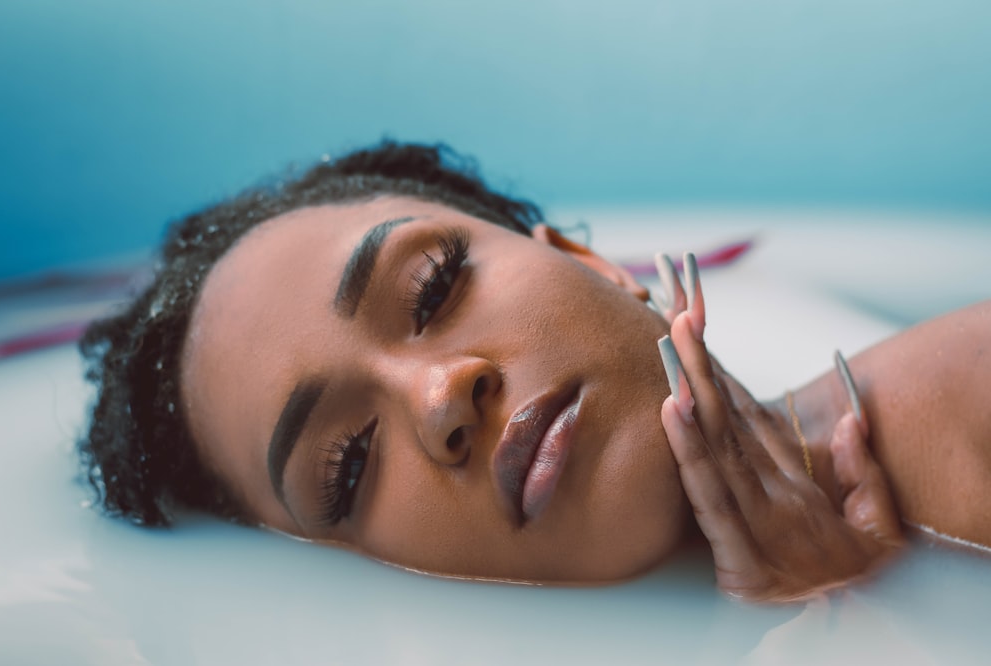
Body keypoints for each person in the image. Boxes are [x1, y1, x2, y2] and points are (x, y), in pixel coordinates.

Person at [78, 141, 990, 603]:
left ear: (592, 265)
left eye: (432, 288)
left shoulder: (963, 404)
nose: (440, 397)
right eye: (347, 462)